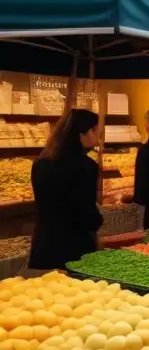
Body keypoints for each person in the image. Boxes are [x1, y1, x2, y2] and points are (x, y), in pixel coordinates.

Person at [28, 109, 103, 270]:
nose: (98, 137)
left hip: (44, 245)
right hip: (74, 249)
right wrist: (99, 221)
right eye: (96, 131)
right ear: (85, 133)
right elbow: (85, 213)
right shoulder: (86, 166)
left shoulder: (40, 164)